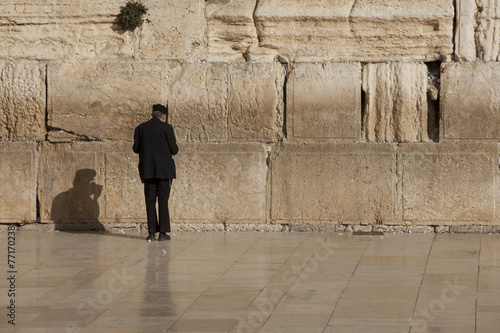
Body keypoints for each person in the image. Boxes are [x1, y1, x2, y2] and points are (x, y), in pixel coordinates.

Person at [133, 104, 178, 241]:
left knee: (150, 200)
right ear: (163, 117)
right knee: (163, 200)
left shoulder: (140, 128)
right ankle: (163, 233)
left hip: (148, 170)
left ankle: (151, 233)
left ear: (152, 115)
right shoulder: (167, 128)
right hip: (164, 170)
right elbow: (174, 150)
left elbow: (135, 149)